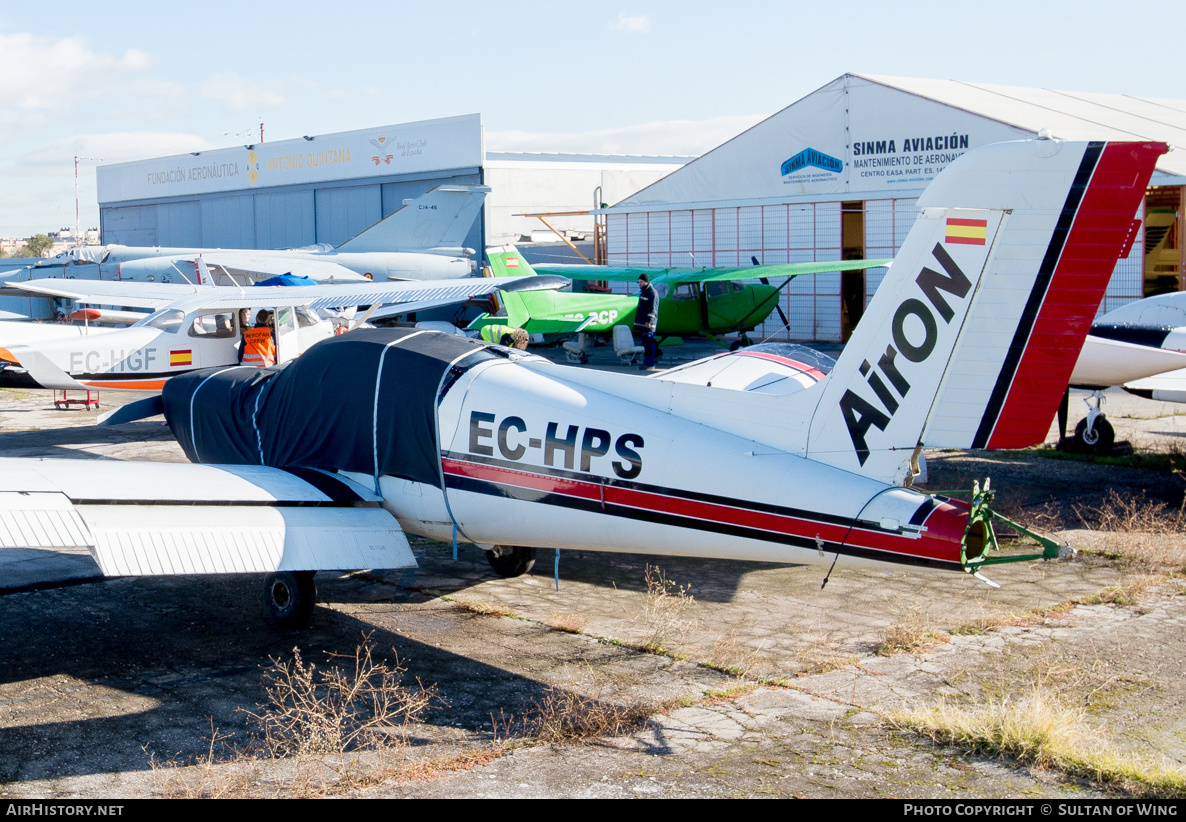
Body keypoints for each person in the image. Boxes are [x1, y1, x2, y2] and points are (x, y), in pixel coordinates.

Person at [634, 273, 659, 370]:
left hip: (648, 325)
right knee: (645, 344)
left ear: (646, 282)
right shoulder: (644, 292)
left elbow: (653, 309)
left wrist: (649, 321)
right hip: (642, 324)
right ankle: (647, 362)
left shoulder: (652, 293)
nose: (639, 284)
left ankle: (650, 364)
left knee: (649, 344)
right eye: (639, 282)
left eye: (641, 282)